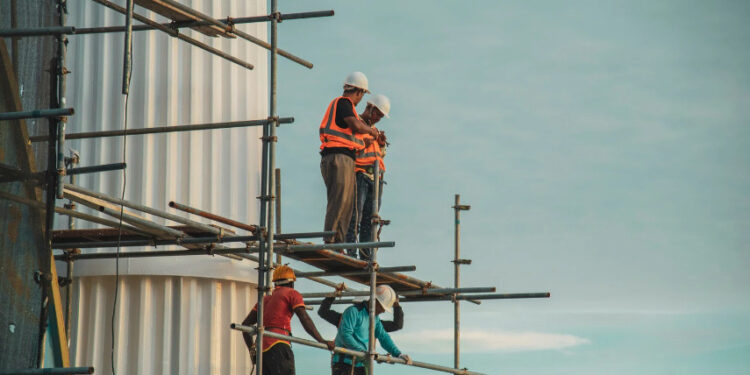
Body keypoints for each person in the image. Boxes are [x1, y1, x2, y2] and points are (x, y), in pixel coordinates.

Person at [319, 72, 381, 244]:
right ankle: (331, 240)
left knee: (346, 204)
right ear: (360, 92)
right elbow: (355, 125)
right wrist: (370, 131)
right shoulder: (344, 103)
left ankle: (338, 242)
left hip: (344, 157)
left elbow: (354, 138)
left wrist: (372, 139)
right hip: (337, 157)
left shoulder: (347, 109)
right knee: (339, 200)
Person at [242, 265, 335, 375]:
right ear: (292, 284)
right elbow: (304, 318)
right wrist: (322, 340)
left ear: (275, 283)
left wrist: (253, 352)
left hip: (262, 350)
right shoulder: (292, 293)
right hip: (278, 343)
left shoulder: (265, 299)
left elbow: (245, 326)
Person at [345, 94, 391, 260]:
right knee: (355, 216)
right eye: (377, 113)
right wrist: (369, 141)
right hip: (360, 175)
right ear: (370, 107)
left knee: (369, 221)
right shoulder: (356, 123)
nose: (378, 118)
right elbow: (351, 147)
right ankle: (350, 252)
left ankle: (366, 256)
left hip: (376, 180)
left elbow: (379, 155)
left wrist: (381, 144)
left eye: (381, 115)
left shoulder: (374, 130)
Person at [331, 285, 411, 375]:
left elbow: (383, 336)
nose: (384, 311)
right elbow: (345, 335)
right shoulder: (353, 311)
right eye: (383, 308)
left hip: (360, 363)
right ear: (375, 301)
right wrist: (361, 352)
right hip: (344, 364)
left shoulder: (374, 318)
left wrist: (398, 354)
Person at [318, 293, 403, 332]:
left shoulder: (374, 324)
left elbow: (323, 312)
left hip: (358, 362)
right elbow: (323, 312)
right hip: (347, 362)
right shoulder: (346, 318)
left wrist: (333, 296)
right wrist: (396, 305)